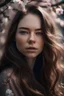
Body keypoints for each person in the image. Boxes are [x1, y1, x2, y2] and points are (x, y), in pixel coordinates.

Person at [0, 0, 64, 96]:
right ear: (14, 36)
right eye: (24, 32)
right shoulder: (8, 78)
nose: (31, 39)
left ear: (47, 37)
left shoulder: (48, 74)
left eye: (39, 33)